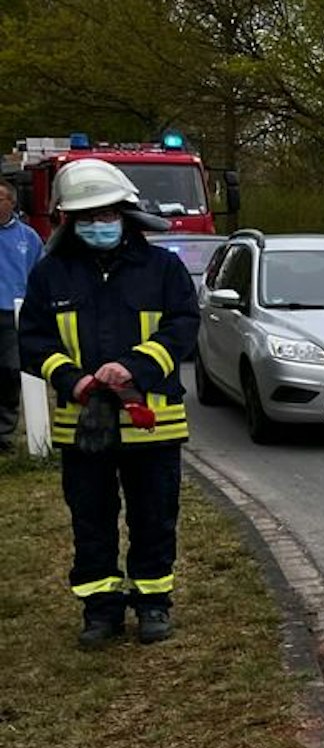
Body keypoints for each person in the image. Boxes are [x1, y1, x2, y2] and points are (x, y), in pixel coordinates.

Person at [18, 158, 197, 646]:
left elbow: (183, 327)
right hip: (83, 424)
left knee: (153, 516)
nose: (100, 224)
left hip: (151, 423)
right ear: (69, 221)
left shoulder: (164, 268)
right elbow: (33, 341)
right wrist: (73, 380)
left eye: (108, 214)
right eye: (88, 217)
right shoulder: (50, 274)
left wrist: (135, 367)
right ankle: (101, 610)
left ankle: (153, 603)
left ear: (126, 213)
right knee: (91, 518)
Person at [0, 179, 45, 452]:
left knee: (9, 371)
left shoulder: (27, 238)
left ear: (11, 203)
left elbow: (38, 275)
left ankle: (4, 432)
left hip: (11, 314)